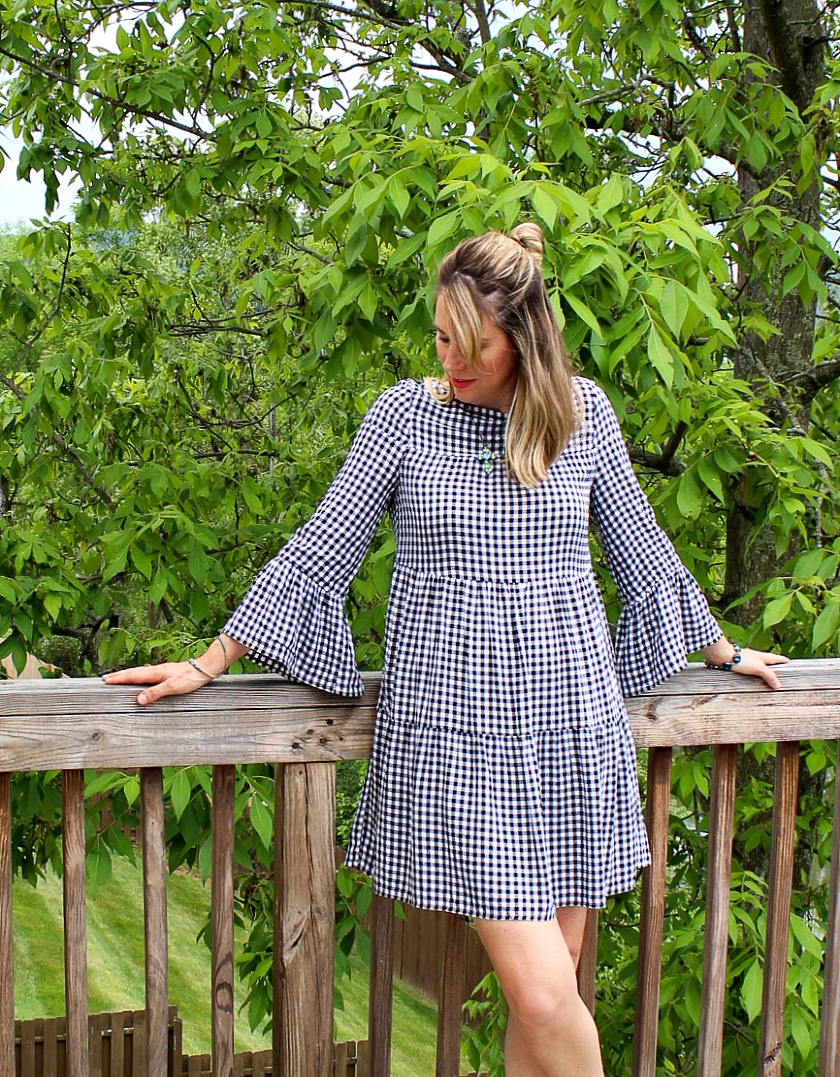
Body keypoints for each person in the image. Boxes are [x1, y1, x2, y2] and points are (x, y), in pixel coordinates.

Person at [104, 223, 787, 1076]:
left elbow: (640, 544)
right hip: (455, 730)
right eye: (440, 337)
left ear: (524, 339)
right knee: (545, 995)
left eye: (475, 345)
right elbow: (326, 544)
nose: (452, 360)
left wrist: (721, 650)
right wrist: (209, 660)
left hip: (569, 725)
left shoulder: (583, 415)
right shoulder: (405, 416)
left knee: (548, 997)